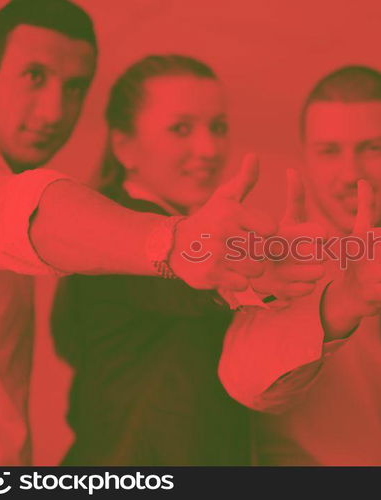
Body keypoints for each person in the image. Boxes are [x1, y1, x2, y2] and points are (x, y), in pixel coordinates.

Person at [0, 0, 276, 466]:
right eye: (34, 76)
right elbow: (19, 210)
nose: (54, 110)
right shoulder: (97, 227)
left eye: (75, 87)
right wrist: (176, 244)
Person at [50, 54, 252, 465]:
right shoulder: (121, 236)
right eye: (181, 129)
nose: (208, 148)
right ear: (124, 146)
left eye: (218, 128)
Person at [218, 66, 381, 465]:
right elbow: (247, 382)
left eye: (372, 148)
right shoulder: (285, 265)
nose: (351, 174)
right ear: (305, 158)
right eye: (329, 152)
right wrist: (338, 304)